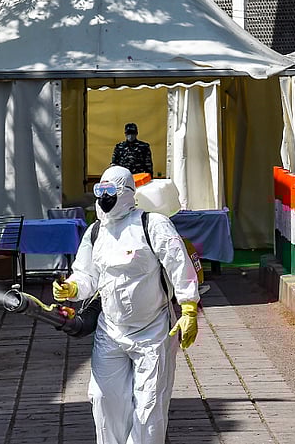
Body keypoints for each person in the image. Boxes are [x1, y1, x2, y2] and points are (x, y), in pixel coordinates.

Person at [53, 166, 200, 444]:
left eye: (111, 191)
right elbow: (87, 275)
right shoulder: (96, 231)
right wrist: (71, 287)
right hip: (110, 331)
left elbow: (179, 265)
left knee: (149, 408)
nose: (104, 197)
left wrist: (189, 308)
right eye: (100, 191)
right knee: (103, 400)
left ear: (127, 192)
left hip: (153, 331)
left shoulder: (152, 224)